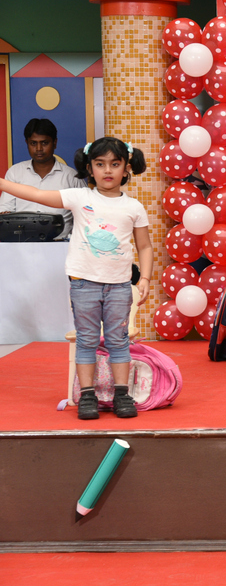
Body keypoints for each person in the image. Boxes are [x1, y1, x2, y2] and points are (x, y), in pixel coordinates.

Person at [0, 136, 152, 419]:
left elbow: (144, 246)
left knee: (118, 340)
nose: (108, 170)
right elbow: (35, 194)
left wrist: (143, 280)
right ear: (89, 168)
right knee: (87, 340)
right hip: (83, 284)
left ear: (126, 168)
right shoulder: (79, 197)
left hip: (119, 285)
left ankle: (122, 395)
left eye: (115, 164)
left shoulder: (134, 207)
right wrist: (3, 184)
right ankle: (87, 396)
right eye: (100, 164)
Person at [0, 118, 87, 239]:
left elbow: (85, 216)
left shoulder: (72, 177)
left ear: (55, 143)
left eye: (44, 143)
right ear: (27, 143)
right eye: (33, 143)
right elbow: (5, 212)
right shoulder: (15, 172)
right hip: (20, 246)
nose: (39, 148)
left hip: (60, 246)